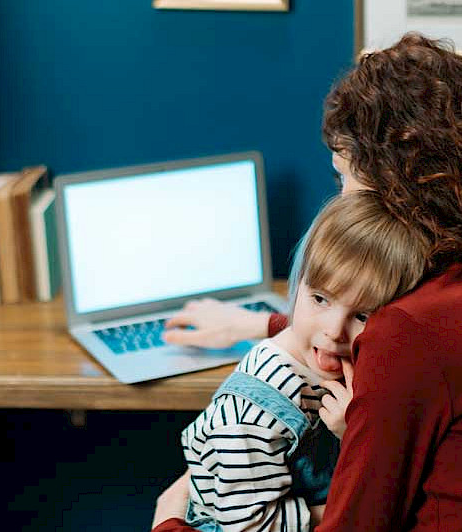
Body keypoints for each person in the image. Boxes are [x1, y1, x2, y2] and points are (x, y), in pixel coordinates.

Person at [154, 32, 462, 531]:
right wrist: (265, 324)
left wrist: (169, 523)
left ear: (401, 186)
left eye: (344, 177)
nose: (343, 200)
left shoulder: (410, 331)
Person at [155, 191, 429, 532]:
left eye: (362, 315)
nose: (333, 331)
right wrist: (333, 507)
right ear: (297, 284)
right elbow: (250, 525)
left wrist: (353, 432)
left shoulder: (350, 363)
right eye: (319, 299)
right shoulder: (251, 413)